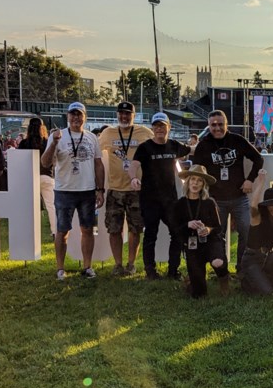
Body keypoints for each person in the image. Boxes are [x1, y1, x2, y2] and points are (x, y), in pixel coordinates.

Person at [191, 110, 265, 272]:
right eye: (213, 125)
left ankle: (242, 268)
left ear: (226, 124)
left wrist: (250, 179)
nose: (217, 128)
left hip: (240, 197)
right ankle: (221, 270)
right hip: (215, 199)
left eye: (220, 124)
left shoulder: (237, 140)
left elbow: (258, 158)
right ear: (209, 126)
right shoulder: (204, 145)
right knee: (217, 235)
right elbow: (196, 171)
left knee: (246, 231)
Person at [40, 102, 105, 280]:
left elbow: (98, 164)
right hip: (64, 190)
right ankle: (60, 268)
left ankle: (87, 267)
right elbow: (45, 163)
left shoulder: (92, 138)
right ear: (67, 116)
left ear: (85, 117)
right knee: (62, 231)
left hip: (87, 190)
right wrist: (53, 143)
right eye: (73, 114)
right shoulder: (57, 135)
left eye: (79, 114)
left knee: (88, 230)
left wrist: (100, 189)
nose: (76, 118)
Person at [129, 112, 193, 281]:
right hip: (149, 200)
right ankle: (150, 271)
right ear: (152, 128)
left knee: (177, 233)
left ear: (168, 128)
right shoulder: (144, 147)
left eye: (162, 126)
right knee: (151, 234)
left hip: (170, 200)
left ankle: (173, 271)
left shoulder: (174, 145)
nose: (159, 129)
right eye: (156, 126)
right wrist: (133, 178)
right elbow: (133, 165)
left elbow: (192, 149)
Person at [97, 102, 154, 276]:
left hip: (136, 190)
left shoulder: (144, 132)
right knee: (114, 229)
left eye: (127, 114)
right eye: (121, 113)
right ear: (117, 115)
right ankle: (118, 264)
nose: (124, 117)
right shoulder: (107, 133)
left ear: (134, 115)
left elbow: (157, 148)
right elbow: (96, 155)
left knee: (135, 229)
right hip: (115, 189)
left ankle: (131, 263)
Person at [172, 164, 230, 298]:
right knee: (199, 294)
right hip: (193, 246)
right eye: (193, 179)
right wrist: (188, 224)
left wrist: (208, 229)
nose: (195, 183)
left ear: (203, 184)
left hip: (210, 242)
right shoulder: (180, 204)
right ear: (187, 181)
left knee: (218, 262)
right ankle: (192, 281)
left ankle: (224, 280)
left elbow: (218, 228)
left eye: (199, 181)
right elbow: (176, 230)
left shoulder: (209, 202)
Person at [240, 169, 273, 296]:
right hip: (252, 258)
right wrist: (261, 182)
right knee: (267, 292)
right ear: (265, 206)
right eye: (271, 205)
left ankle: (266, 278)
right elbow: (253, 206)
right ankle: (248, 280)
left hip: (267, 257)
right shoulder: (257, 217)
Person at [17, 117, 57, 237]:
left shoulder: (24, 143)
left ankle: (28, 231)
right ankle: (55, 230)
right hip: (46, 176)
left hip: (30, 177)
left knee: (29, 206)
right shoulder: (46, 142)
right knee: (51, 205)